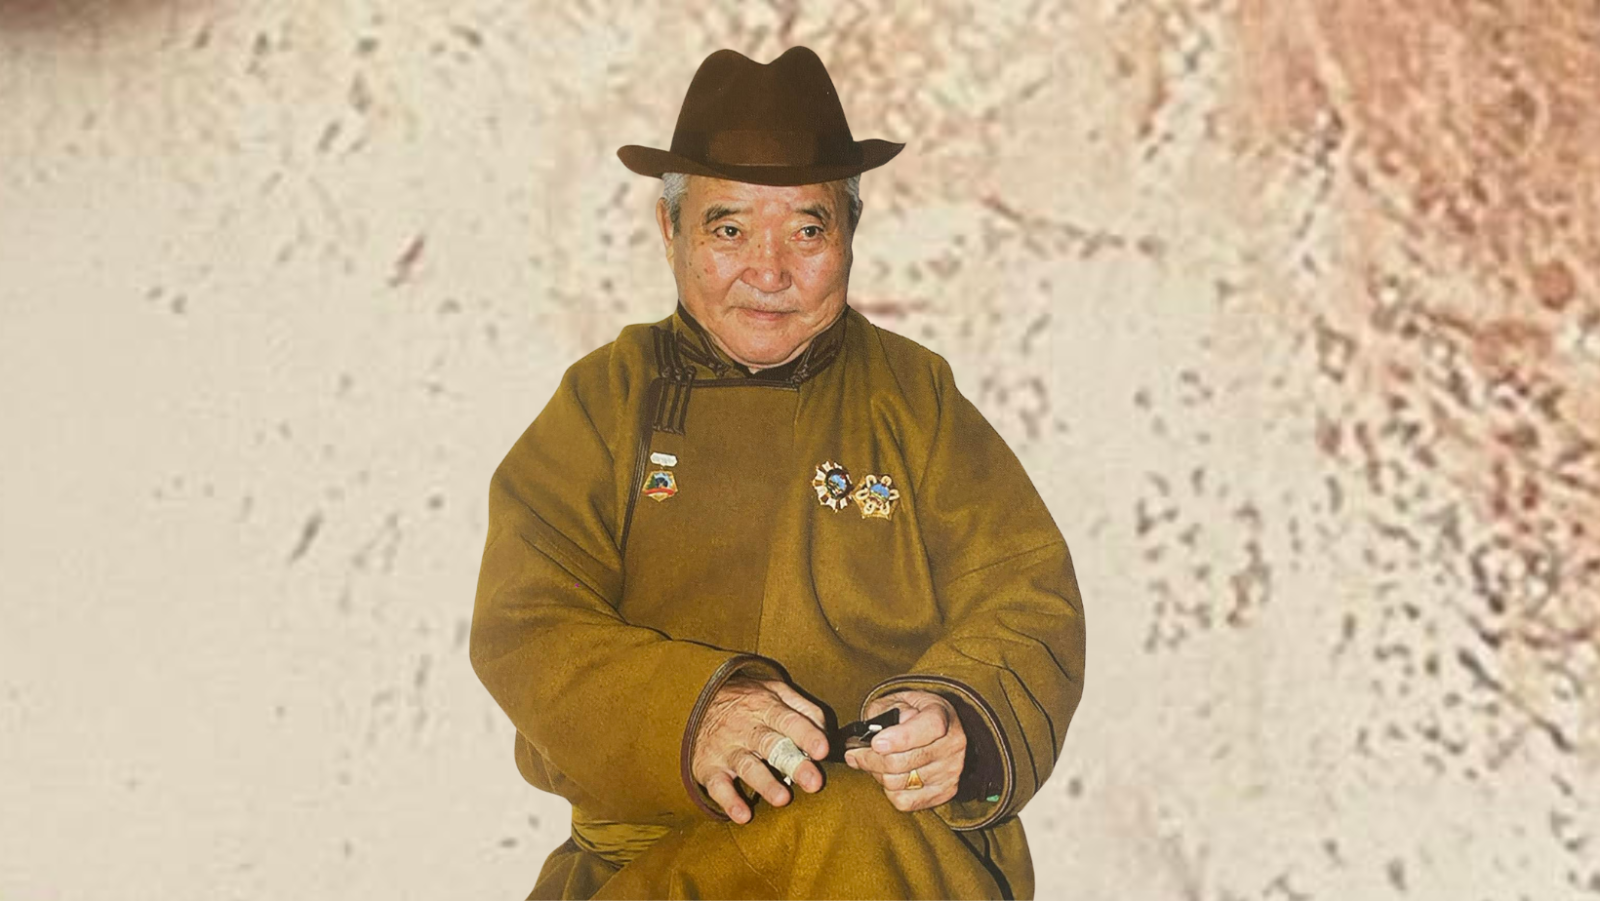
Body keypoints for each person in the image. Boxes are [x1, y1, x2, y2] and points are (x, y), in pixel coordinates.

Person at [471, 45, 1086, 900]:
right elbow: (526, 622)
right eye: (728, 229)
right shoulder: (604, 402)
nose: (768, 271)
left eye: (806, 230)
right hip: (650, 867)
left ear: (850, 236)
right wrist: (694, 713)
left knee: (856, 825)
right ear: (671, 232)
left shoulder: (917, 400)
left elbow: (1025, 593)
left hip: (882, 859)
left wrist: (958, 718)